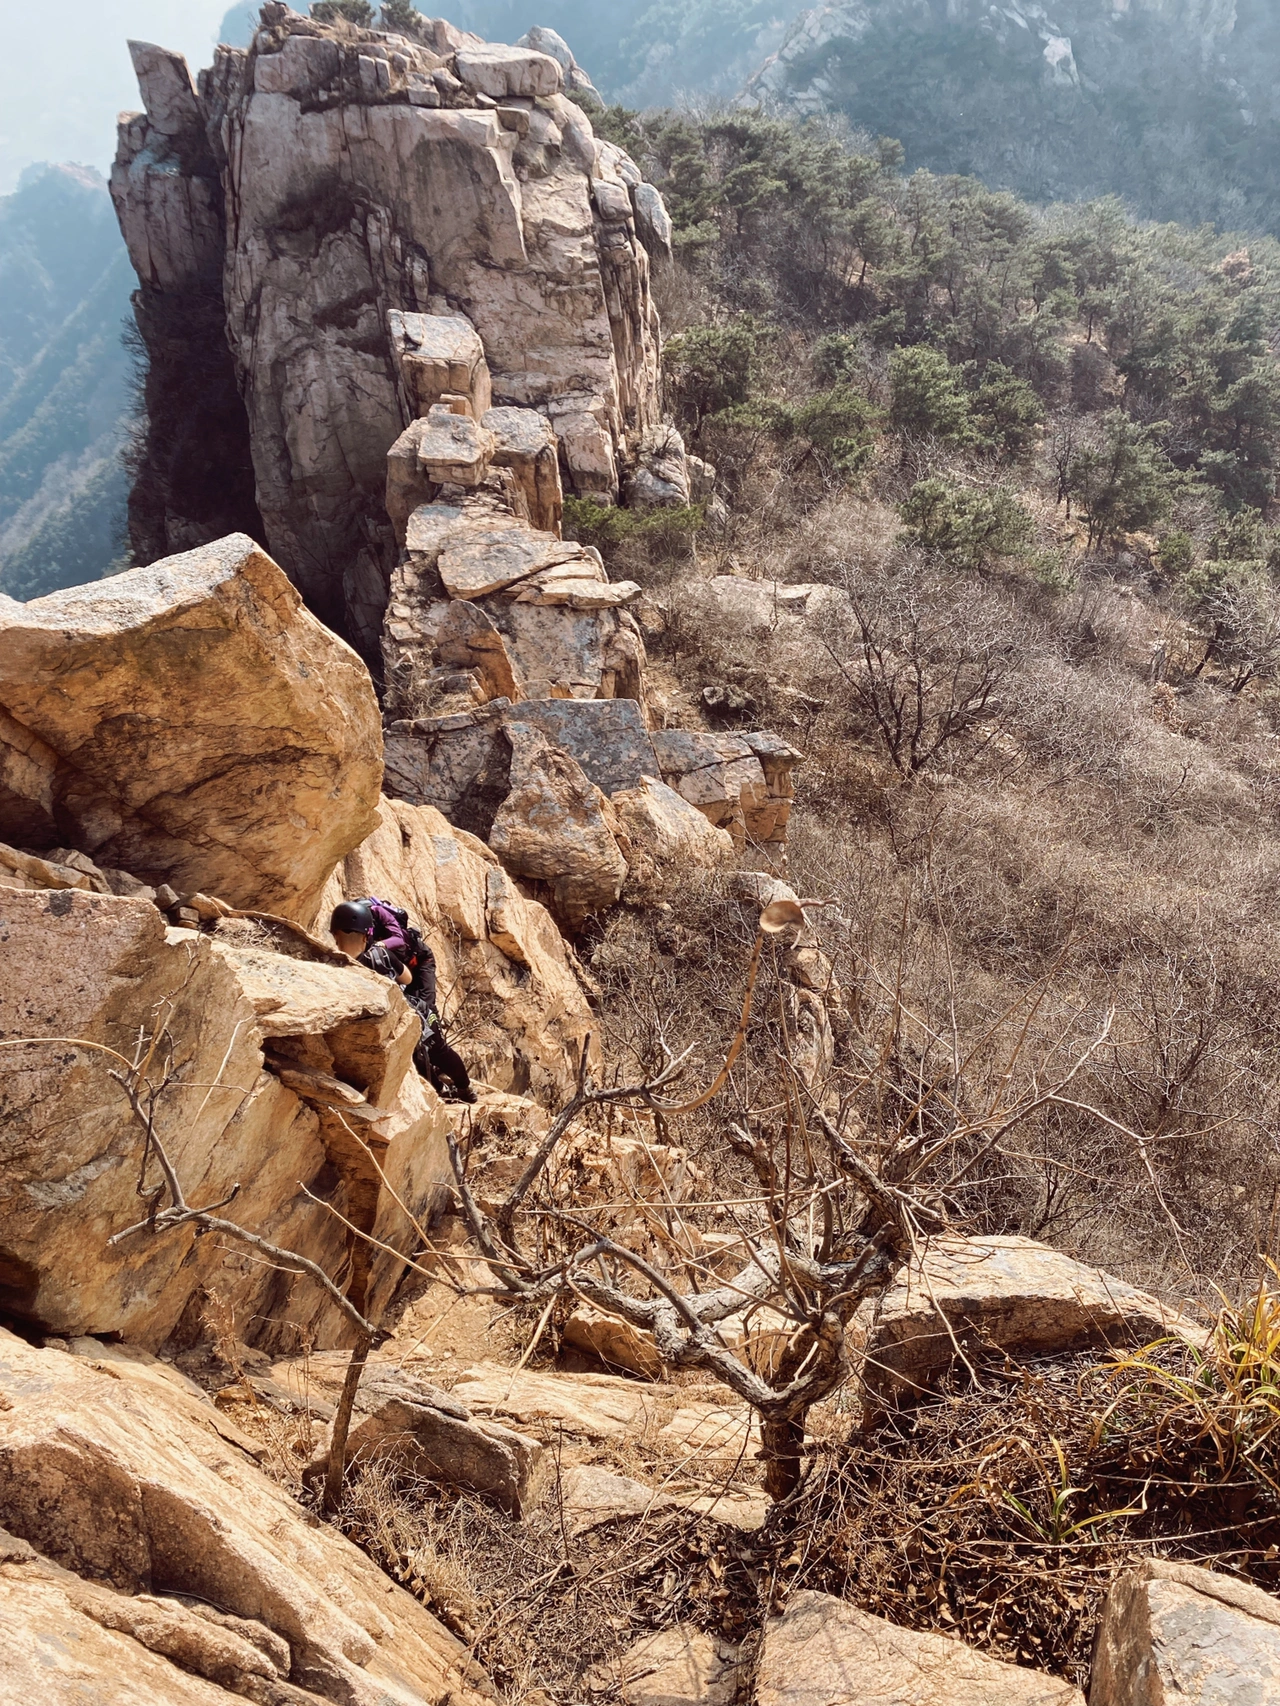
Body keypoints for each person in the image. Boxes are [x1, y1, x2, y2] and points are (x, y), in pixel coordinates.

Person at [330, 898, 476, 1103]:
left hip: (409, 983)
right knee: (431, 1048)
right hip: (406, 992)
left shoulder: (341, 966)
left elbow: (400, 944)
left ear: (335, 935)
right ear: (366, 935)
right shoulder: (379, 955)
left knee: (422, 1048)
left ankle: (449, 1089)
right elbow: (406, 977)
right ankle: (454, 1088)